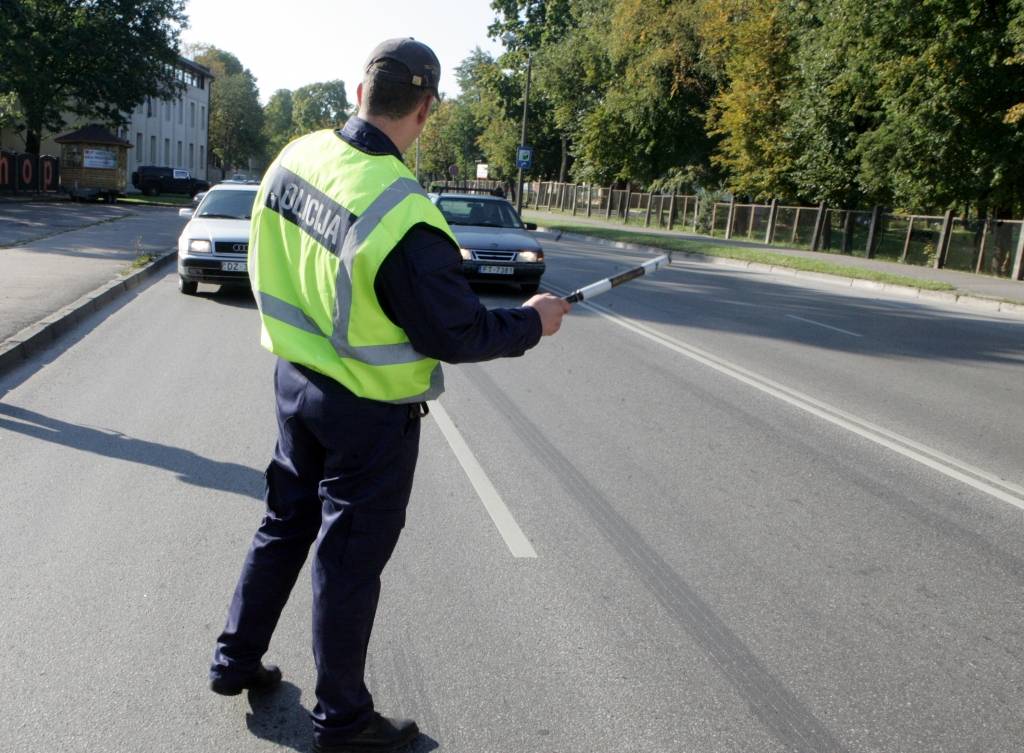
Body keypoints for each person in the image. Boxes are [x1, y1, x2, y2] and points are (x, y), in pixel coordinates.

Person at [208, 38, 570, 753]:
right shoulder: (402, 213)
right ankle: (342, 720)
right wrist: (532, 321)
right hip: (367, 411)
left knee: (283, 524)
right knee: (347, 562)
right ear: (426, 108)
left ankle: (234, 659)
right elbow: (457, 331)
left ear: (358, 92)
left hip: (293, 381)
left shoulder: (295, 158)